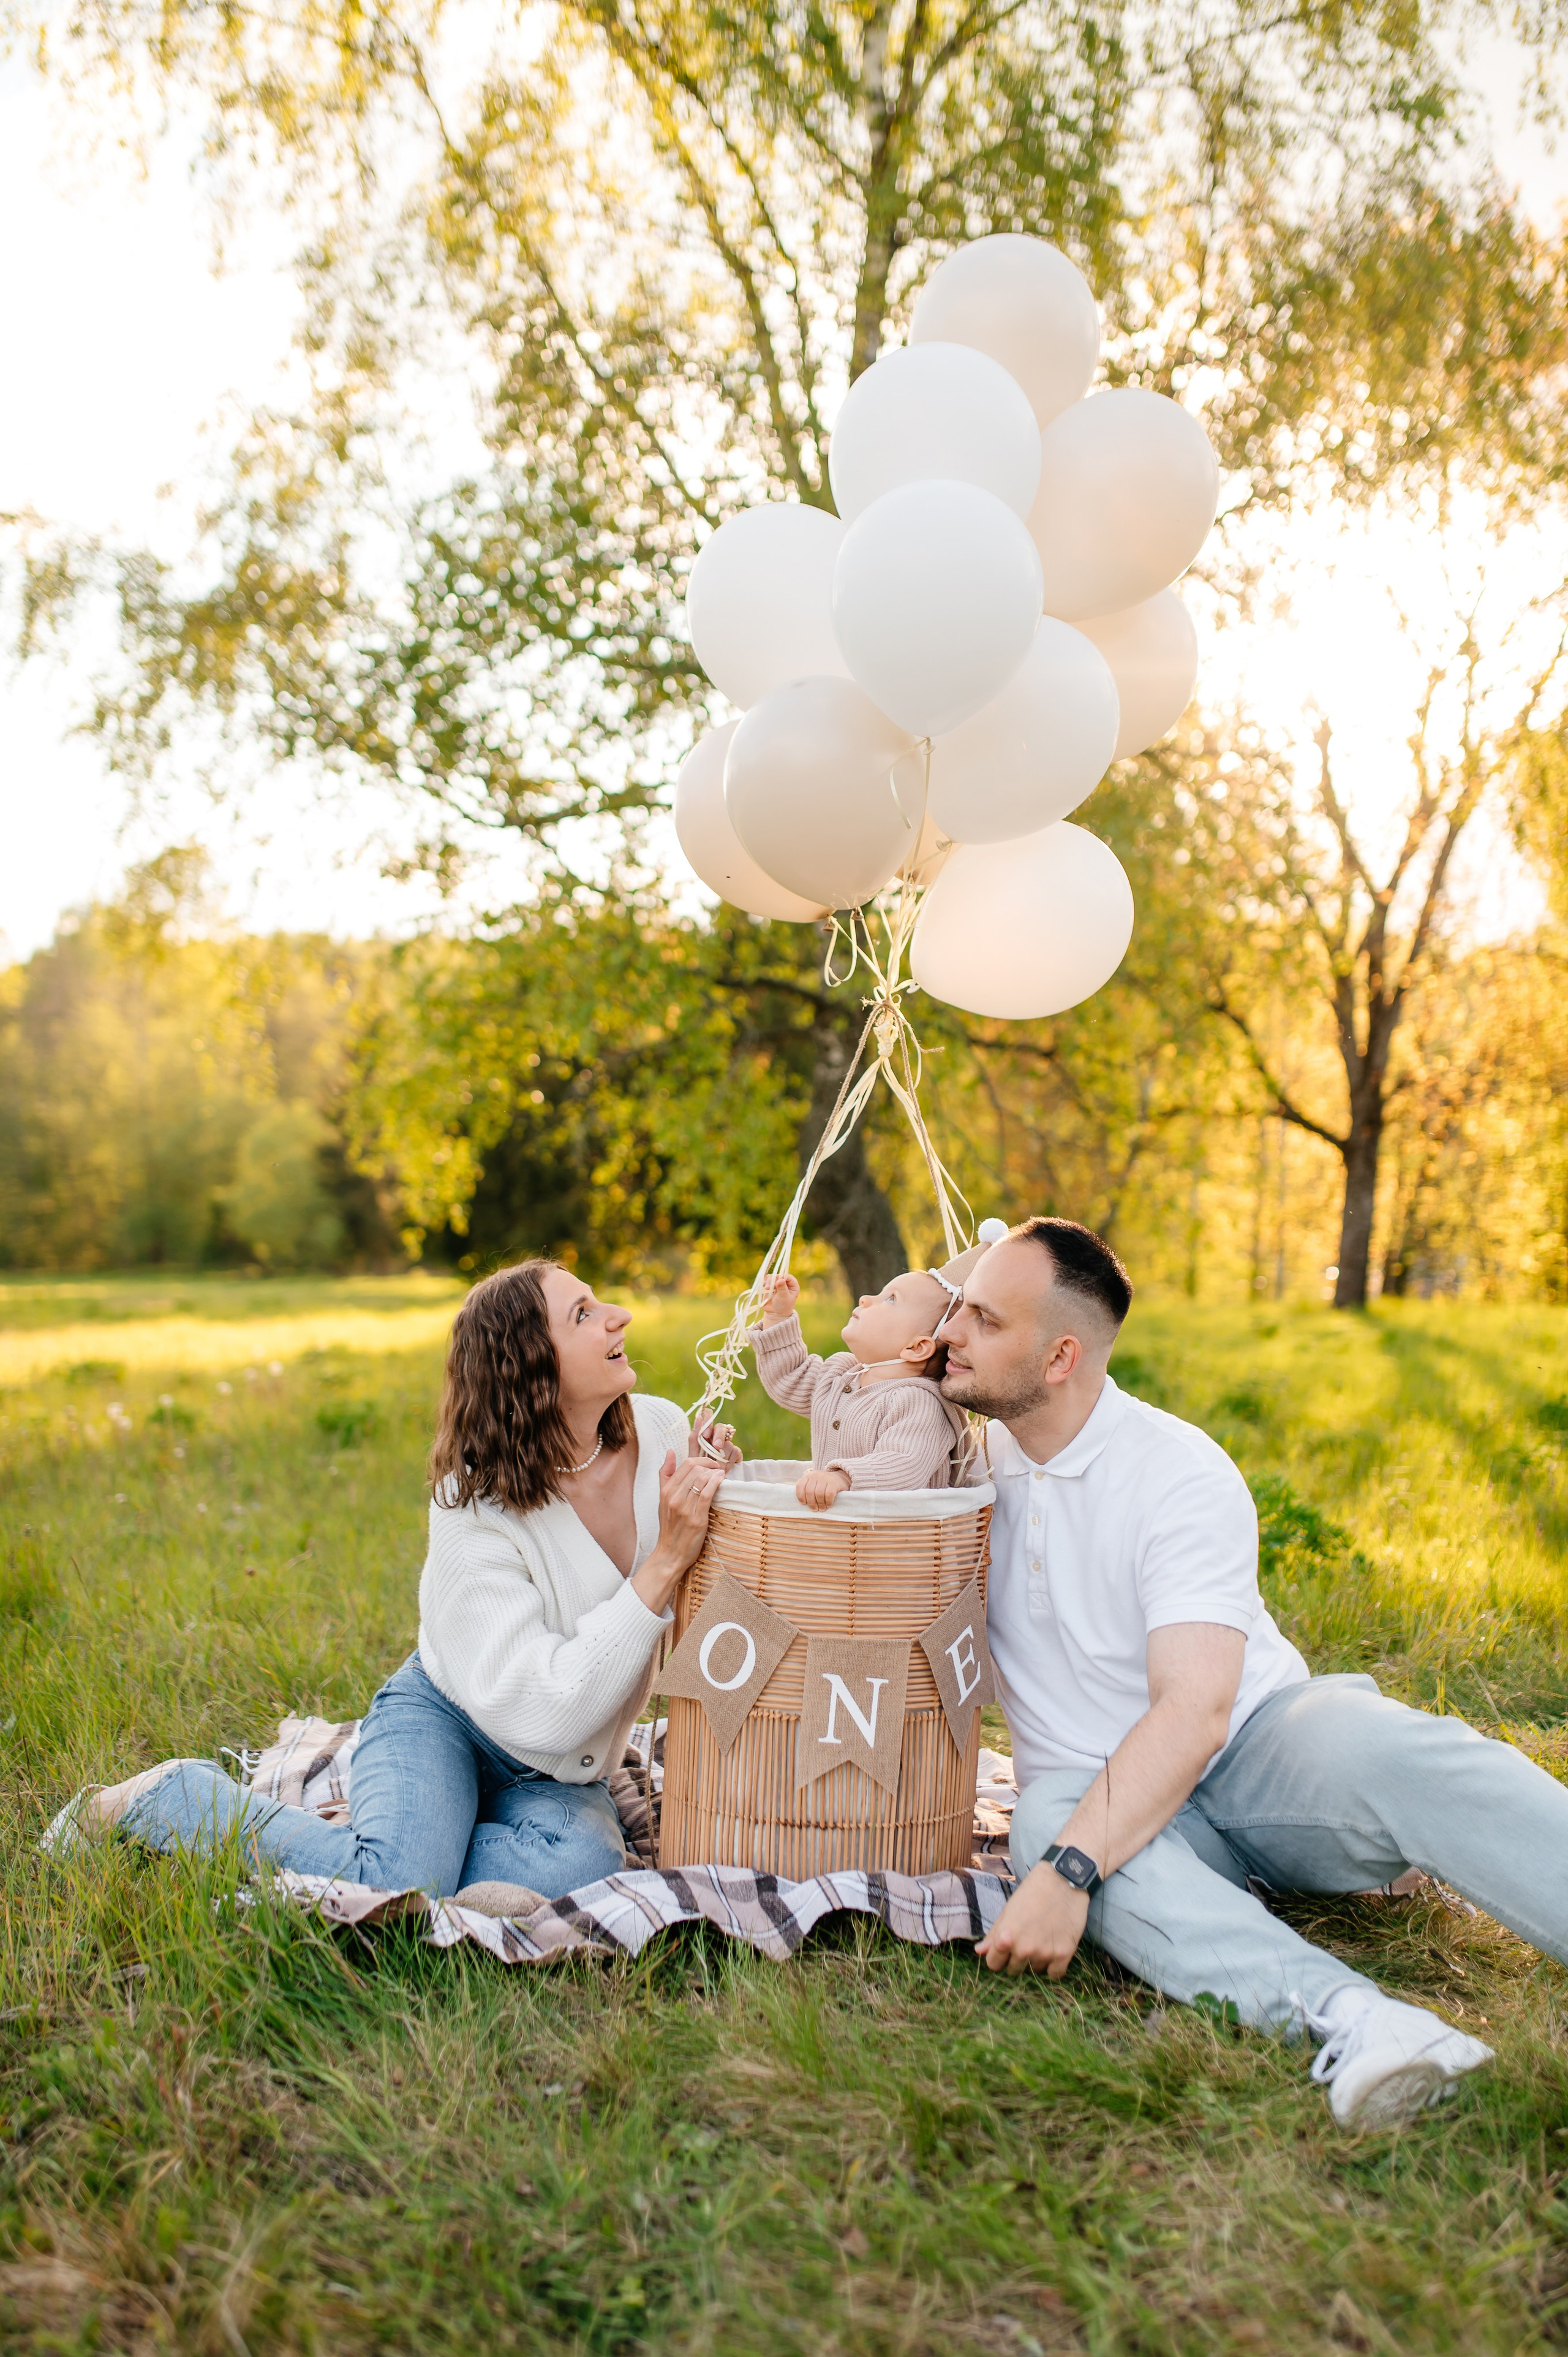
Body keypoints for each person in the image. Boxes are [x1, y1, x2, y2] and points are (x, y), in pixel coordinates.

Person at [937, 1216, 1568, 2131]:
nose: (955, 1331)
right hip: (1104, 1800)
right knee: (1044, 1819)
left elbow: (1196, 1712)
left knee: (1373, 1740)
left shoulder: (1177, 1473)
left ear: (1062, 1355)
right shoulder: (959, 1468)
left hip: (1253, 1755)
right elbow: (890, 1344)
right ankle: (1366, 2024)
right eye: (961, 1308)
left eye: (985, 1321)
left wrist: (1064, 1877)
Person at [42, 1261, 735, 1905]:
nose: (618, 1316)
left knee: (578, 1868)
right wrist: (664, 1560)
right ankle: (168, 1798)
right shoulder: (474, 1505)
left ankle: (438, 1845)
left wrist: (727, 1500)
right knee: (395, 1877)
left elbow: (708, 1589)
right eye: (582, 1314)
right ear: (531, 1366)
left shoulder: (663, 1430)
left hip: (560, 1767)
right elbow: (545, 1705)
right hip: (449, 1718)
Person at [753, 1265, 971, 1507]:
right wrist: (777, 1317)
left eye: (890, 1299)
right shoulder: (841, 1375)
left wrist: (843, 1476)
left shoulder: (918, 1402)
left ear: (916, 1348)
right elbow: (791, 1378)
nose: (865, 1299)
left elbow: (905, 1462)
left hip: (897, 1536)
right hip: (847, 1532)